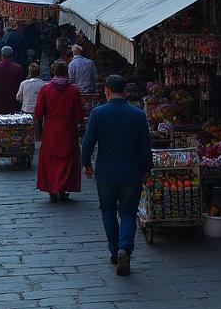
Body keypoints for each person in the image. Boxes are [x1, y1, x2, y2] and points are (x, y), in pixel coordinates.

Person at [80, 74, 152, 277]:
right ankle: (124, 248)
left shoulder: (98, 113)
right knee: (128, 212)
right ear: (125, 91)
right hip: (131, 173)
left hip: (106, 173)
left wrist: (86, 163)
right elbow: (145, 148)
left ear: (106, 91)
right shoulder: (137, 115)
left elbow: (88, 142)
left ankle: (114, 250)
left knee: (108, 211)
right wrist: (147, 170)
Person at [33, 60, 84, 204]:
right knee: (67, 160)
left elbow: (38, 112)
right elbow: (79, 114)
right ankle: (64, 188)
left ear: (53, 72)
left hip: (51, 129)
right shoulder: (73, 90)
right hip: (68, 128)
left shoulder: (46, 89)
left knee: (51, 160)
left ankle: (52, 188)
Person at [0, 45, 23, 116]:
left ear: (1, 55)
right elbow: (20, 87)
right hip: (14, 105)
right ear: (11, 55)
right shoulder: (18, 68)